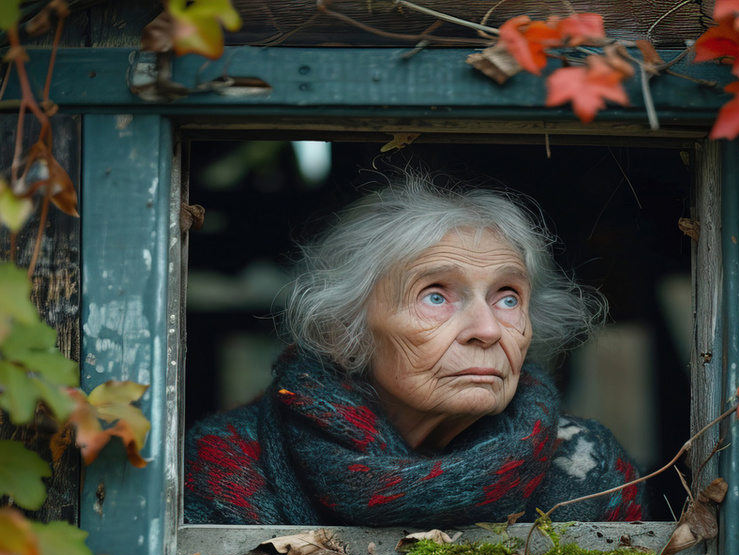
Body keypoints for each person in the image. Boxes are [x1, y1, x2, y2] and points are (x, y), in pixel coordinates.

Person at [184, 175, 647, 526]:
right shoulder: (228, 464)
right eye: (435, 296)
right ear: (343, 326)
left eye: (508, 298)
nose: (487, 329)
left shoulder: (590, 471)